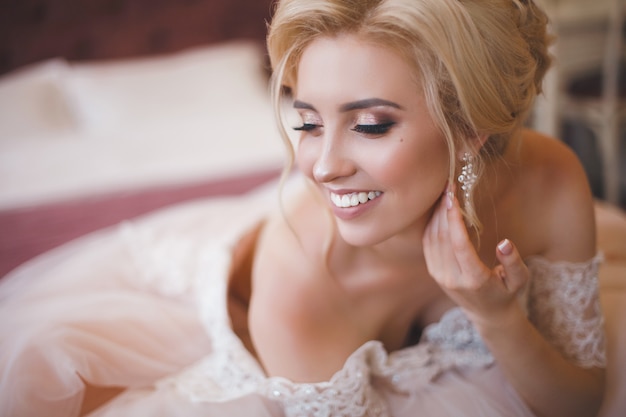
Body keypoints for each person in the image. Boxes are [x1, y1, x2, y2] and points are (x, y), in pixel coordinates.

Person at [0, 0, 607, 416]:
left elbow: (579, 402)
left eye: (369, 124)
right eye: (307, 122)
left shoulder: (549, 180)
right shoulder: (302, 285)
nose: (320, 166)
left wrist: (499, 320)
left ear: (472, 125)